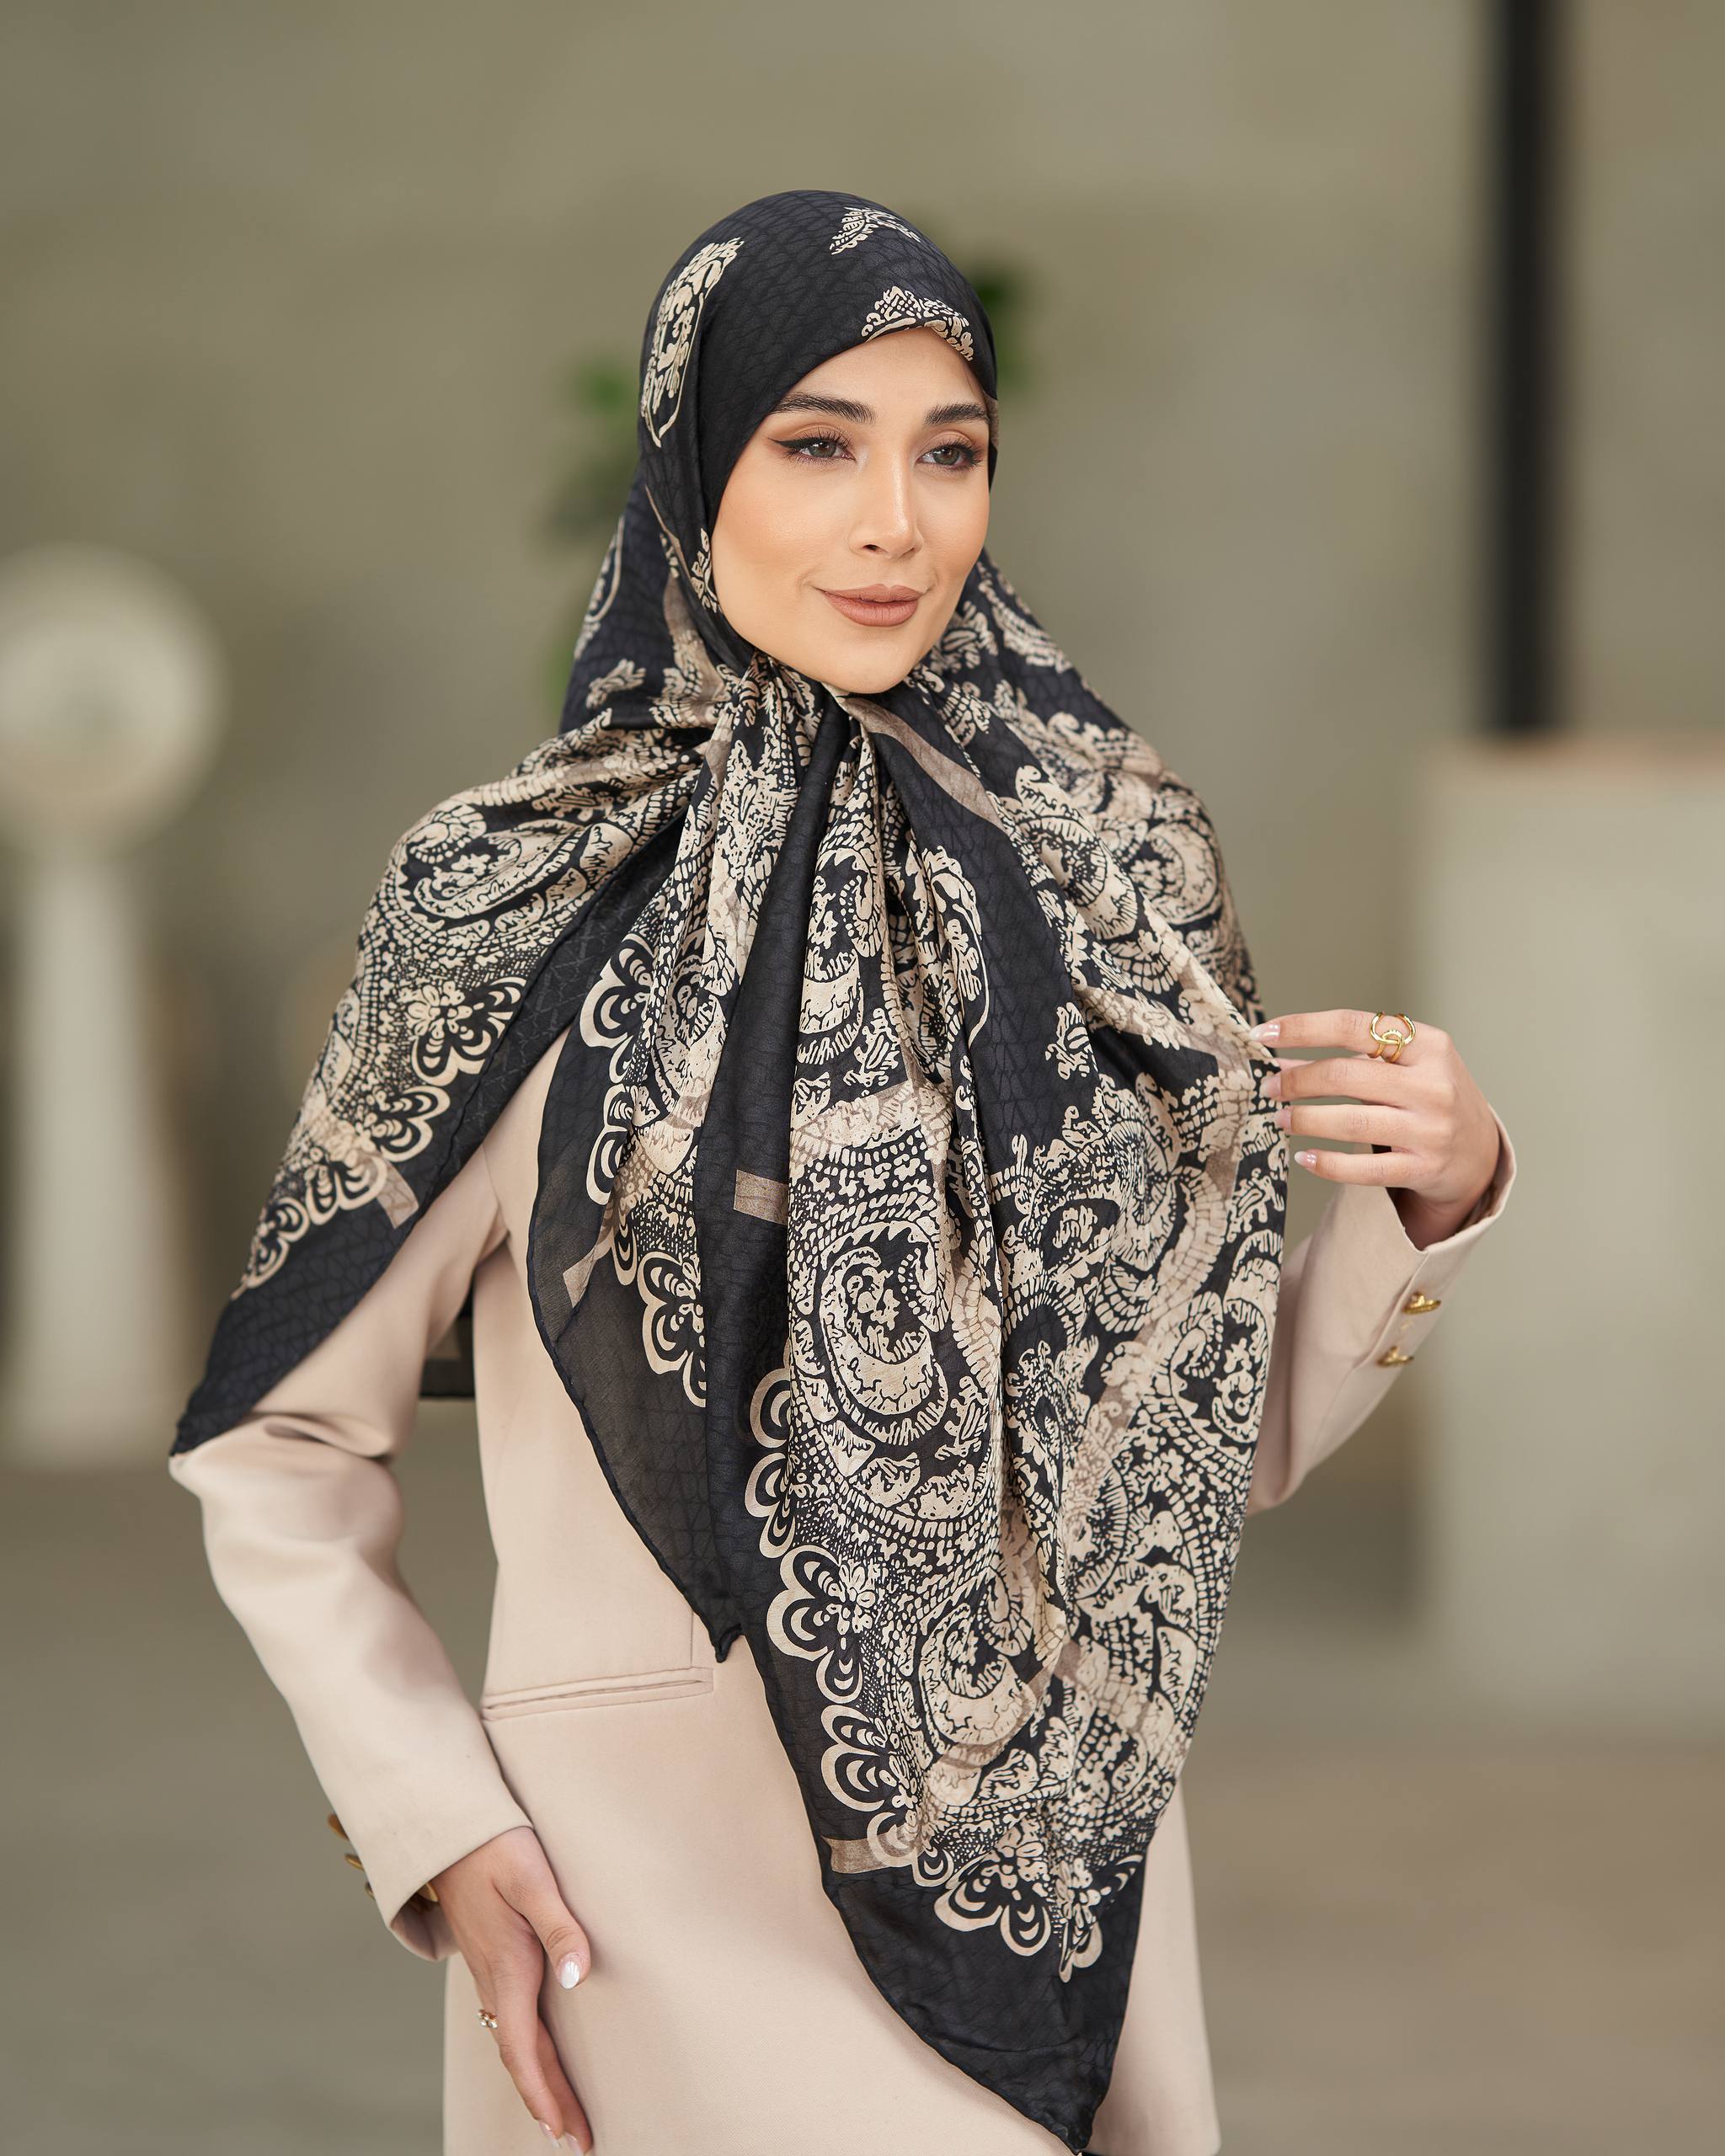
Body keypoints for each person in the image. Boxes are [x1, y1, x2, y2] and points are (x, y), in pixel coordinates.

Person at [169, 190, 1516, 2156]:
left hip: (1038, 1868)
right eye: (817, 444)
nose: (898, 521)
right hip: (643, 1897)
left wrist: (1425, 1204)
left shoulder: (1101, 866)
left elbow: (1178, 1455)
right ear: (693, 463)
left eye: (948, 452)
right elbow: (277, 1438)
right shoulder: (507, 899)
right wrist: (428, 1812)